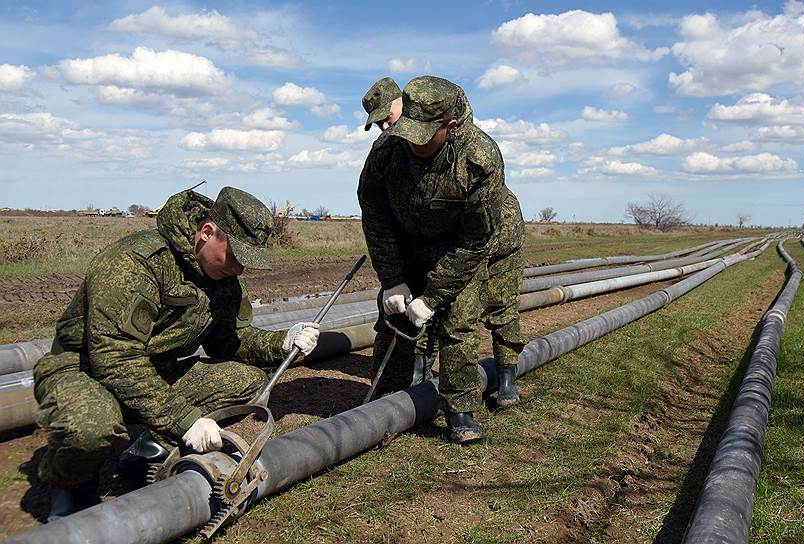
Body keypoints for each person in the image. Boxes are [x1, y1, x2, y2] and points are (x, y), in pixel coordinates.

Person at [32, 186, 320, 520]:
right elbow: (115, 359)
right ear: (207, 233)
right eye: (236, 257)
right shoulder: (135, 263)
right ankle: (72, 487)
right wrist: (185, 421)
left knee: (248, 383)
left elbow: (229, 340)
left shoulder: (222, 278)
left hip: (154, 370)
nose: (240, 270)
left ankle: (146, 451)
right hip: (83, 371)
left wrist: (283, 342)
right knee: (90, 427)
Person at [358, 76, 525, 444]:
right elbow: (375, 212)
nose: (411, 141)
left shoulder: (479, 158)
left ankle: (460, 409)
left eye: (422, 134)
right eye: (407, 129)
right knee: (393, 317)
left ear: (449, 127)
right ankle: (384, 402)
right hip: (405, 241)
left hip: (456, 249)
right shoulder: (388, 150)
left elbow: (475, 239)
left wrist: (433, 298)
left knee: (460, 320)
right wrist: (393, 277)